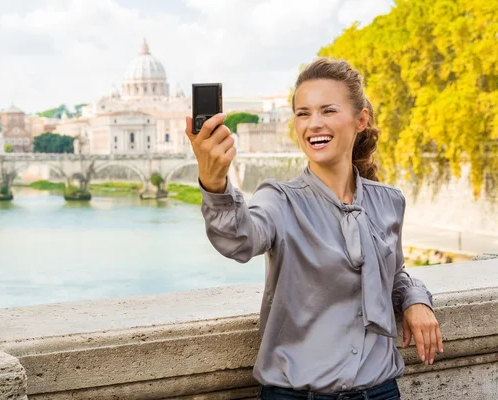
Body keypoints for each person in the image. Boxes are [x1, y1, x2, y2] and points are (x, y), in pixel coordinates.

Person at [184, 58, 442, 400]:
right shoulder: (279, 199)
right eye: (303, 113)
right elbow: (237, 239)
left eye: (328, 110)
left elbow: (391, 274)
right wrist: (214, 181)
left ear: (360, 119)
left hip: (381, 391)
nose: (313, 124)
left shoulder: (389, 201)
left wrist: (415, 300)